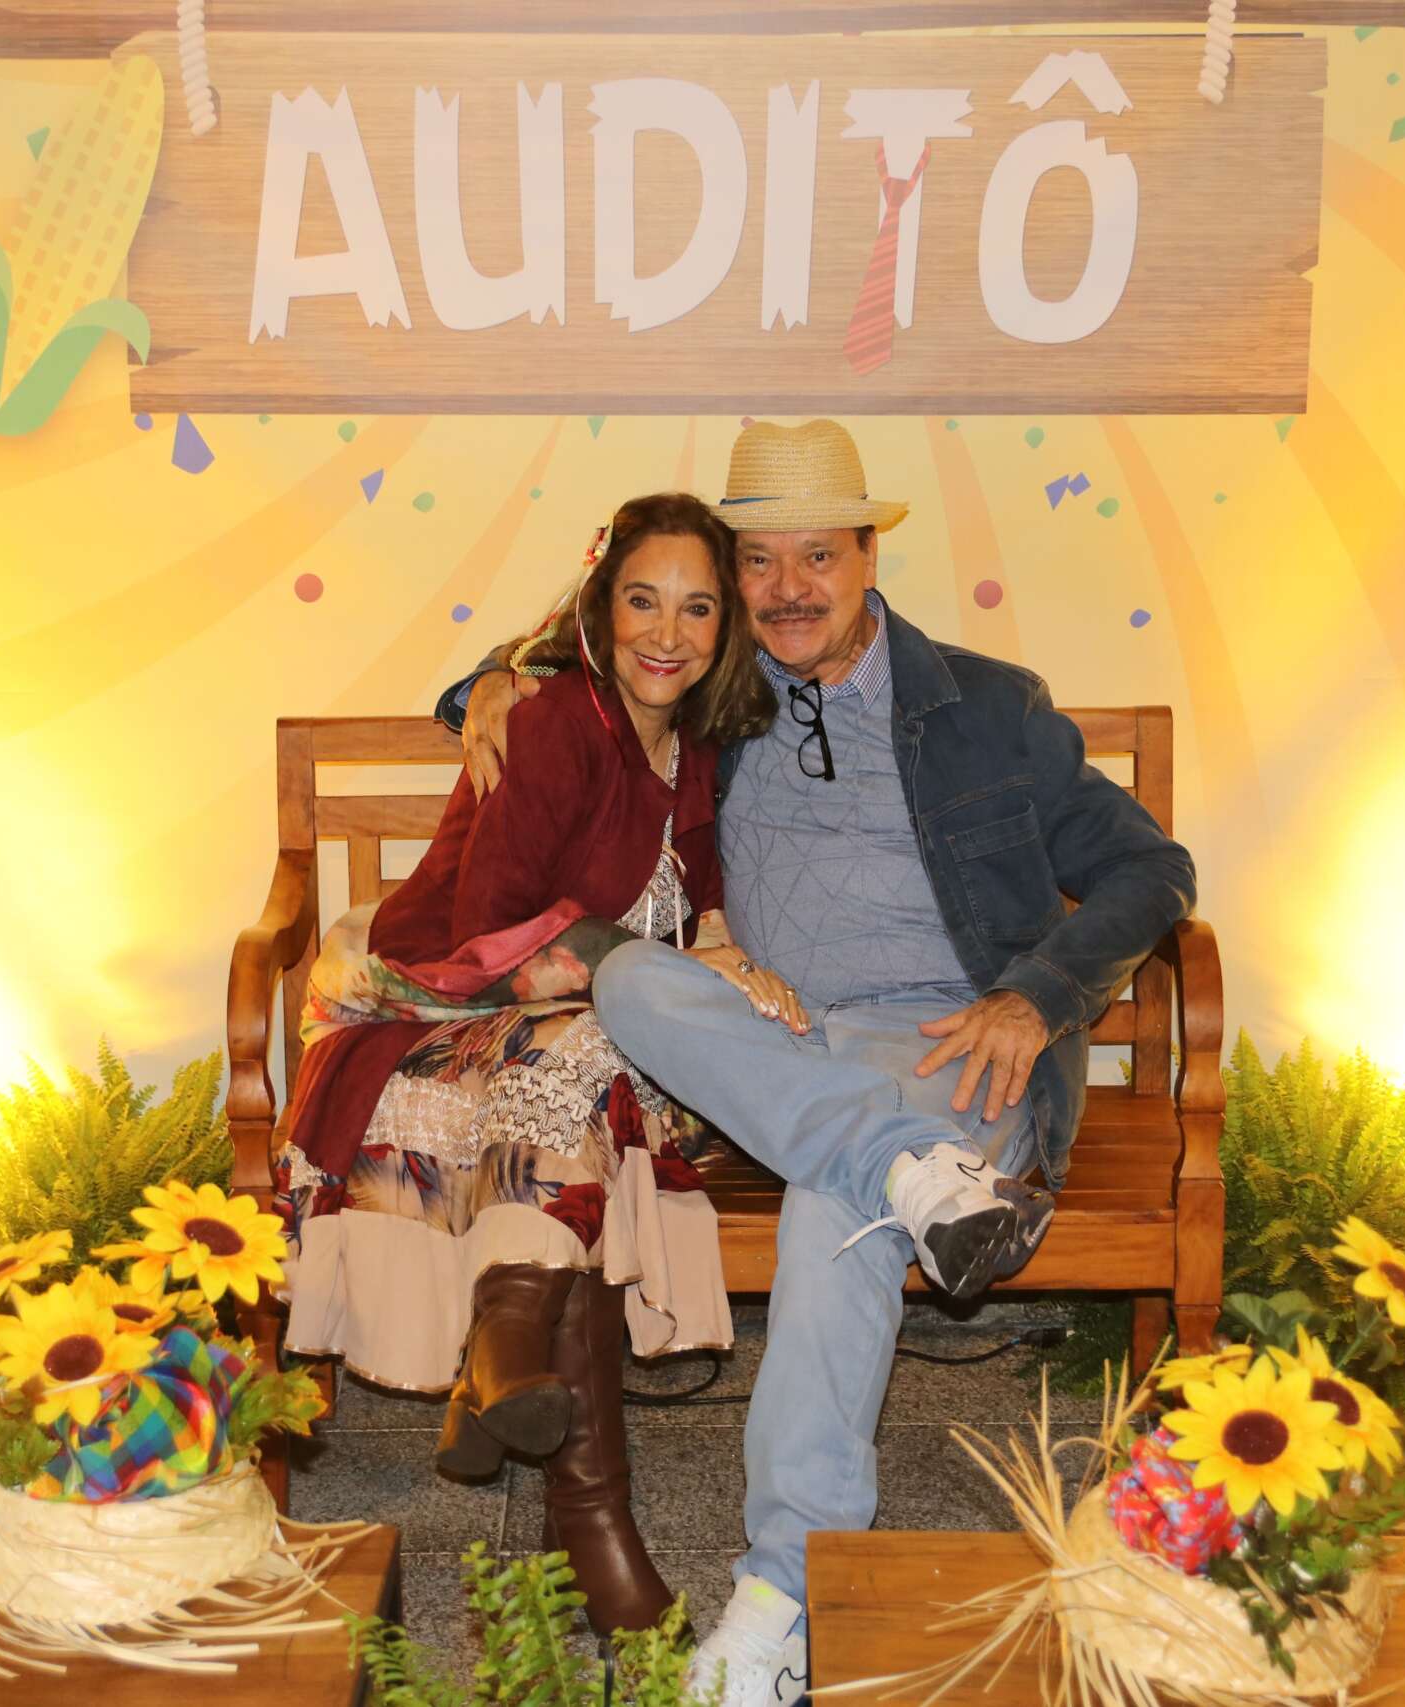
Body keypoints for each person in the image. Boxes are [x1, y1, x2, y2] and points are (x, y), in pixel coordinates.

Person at [443, 420, 1198, 1706]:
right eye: (758, 562)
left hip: (944, 1037)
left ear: (867, 557)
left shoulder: (987, 708)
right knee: (631, 977)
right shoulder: (718, 696)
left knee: (831, 1211)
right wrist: (493, 683)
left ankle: (780, 1600)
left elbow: (1151, 869)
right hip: (772, 1039)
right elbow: (601, 654)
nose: (788, 588)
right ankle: (915, 1173)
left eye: (819, 557)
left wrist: (1036, 998)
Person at [273, 491, 779, 1636]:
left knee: (594, 1056)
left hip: (552, 1043)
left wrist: (724, 961)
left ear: (726, 625)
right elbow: (487, 926)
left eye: (697, 608)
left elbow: (697, 897)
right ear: (601, 608)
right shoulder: (551, 722)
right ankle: (588, 1514)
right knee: (594, 1053)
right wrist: (630, 965)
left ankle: (506, 1359)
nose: (668, 632)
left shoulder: (695, 743)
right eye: (642, 601)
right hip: (427, 1002)